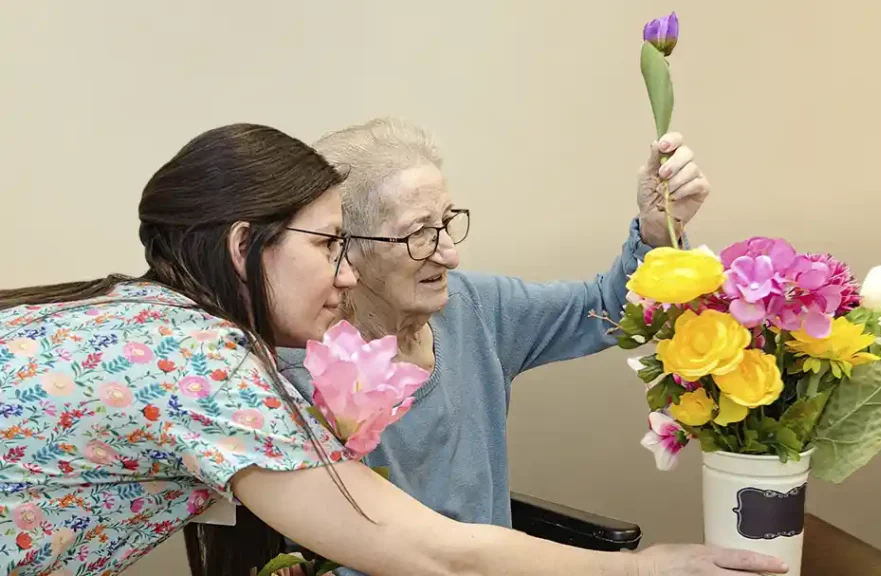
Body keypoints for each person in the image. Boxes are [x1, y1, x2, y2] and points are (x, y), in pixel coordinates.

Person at [0, 123, 787, 576]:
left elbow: (604, 308)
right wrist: (641, 570)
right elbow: (424, 549)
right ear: (246, 246)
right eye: (333, 244)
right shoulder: (209, 365)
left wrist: (657, 233)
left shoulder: (141, 313)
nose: (343, 272)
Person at [276, 118, 715, 574]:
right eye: (419, 233)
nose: (449, 253)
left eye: (447, 223)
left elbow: (605, 308)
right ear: (346, 249)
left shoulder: (475, 308)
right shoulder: (298, 370)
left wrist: (658, 231)